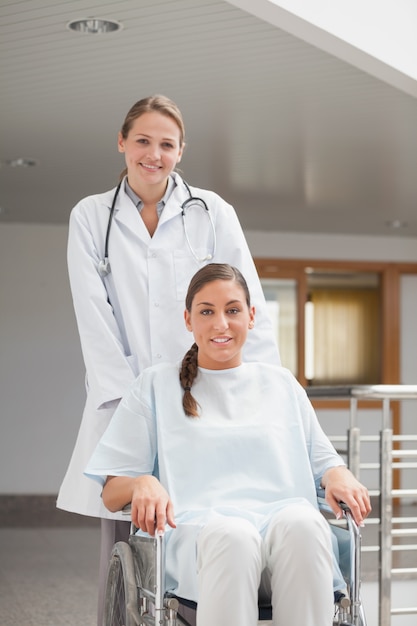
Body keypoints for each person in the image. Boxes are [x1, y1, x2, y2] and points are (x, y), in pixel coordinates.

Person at [56, 95, 281, 624]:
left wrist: (263, 392)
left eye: (166, 144)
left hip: (204, 392)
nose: (153, 154)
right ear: (122, 142)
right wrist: (130, 405)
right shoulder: (91, 217)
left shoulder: (212, 211)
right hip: (126, 397)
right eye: (142, 141)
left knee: (212, 512)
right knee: (127, 531)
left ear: (181, 151)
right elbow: (94, 319)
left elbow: (250, 304)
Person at [85, 263, 371, 626]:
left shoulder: (281, 385)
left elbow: (325, 463)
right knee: (233, 534)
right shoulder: (155, 386)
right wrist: (141, 481)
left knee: (306, 524)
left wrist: (338, 474)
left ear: (251, 317)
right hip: (199, 531)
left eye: (232, 310)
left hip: (283, 524)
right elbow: (111, 493)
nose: (221, 324)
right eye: (207, 311)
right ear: (188, 319)